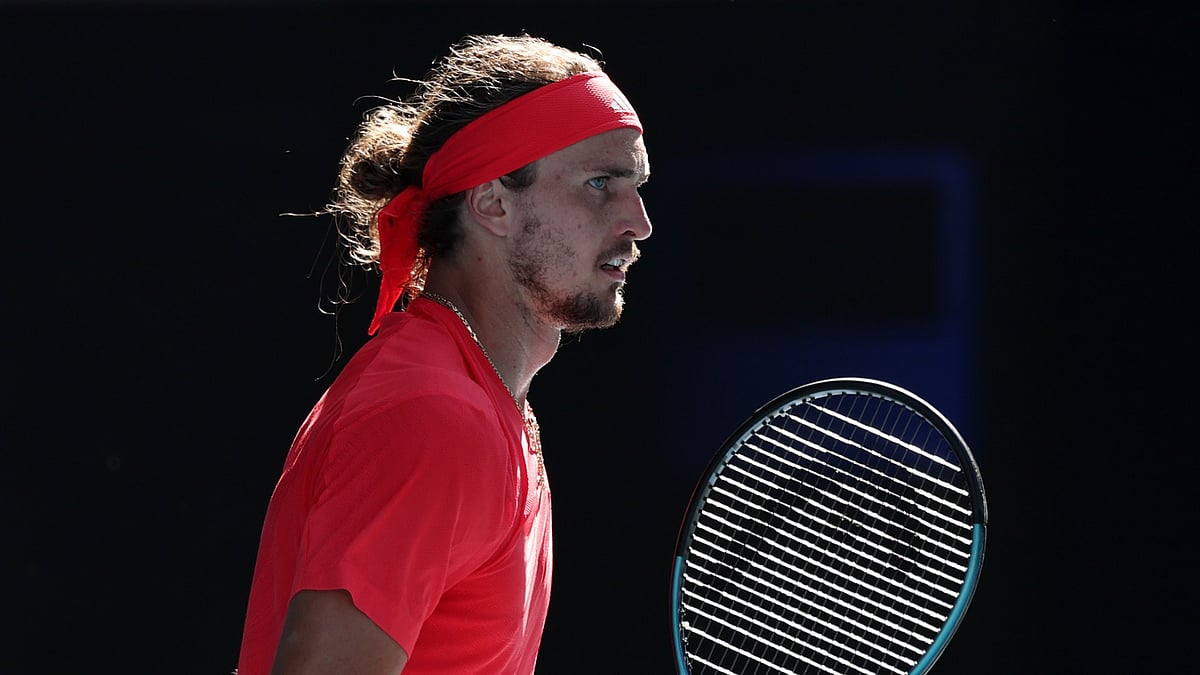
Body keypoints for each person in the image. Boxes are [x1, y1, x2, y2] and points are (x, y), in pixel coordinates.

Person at [236, 33, 652, 675]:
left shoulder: (483, 405)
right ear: (492, 204)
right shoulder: (434, 413)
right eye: (600, 184)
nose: (637, 221)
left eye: (635, 186)